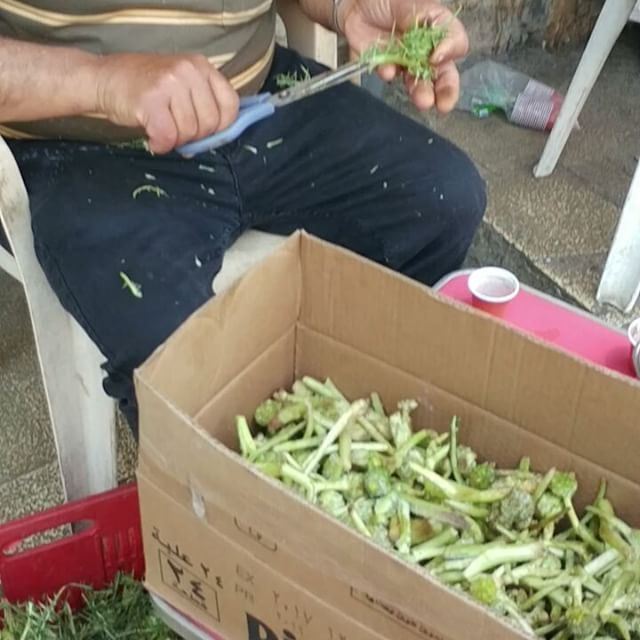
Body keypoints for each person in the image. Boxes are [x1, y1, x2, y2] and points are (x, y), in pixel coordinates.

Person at [0, 0, 486, 438]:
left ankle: (347, 416)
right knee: (175, 353)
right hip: (78, 144)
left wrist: (349, 9)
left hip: (259, 99)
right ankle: (223, 508)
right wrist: (104, 81)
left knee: (443, 201)